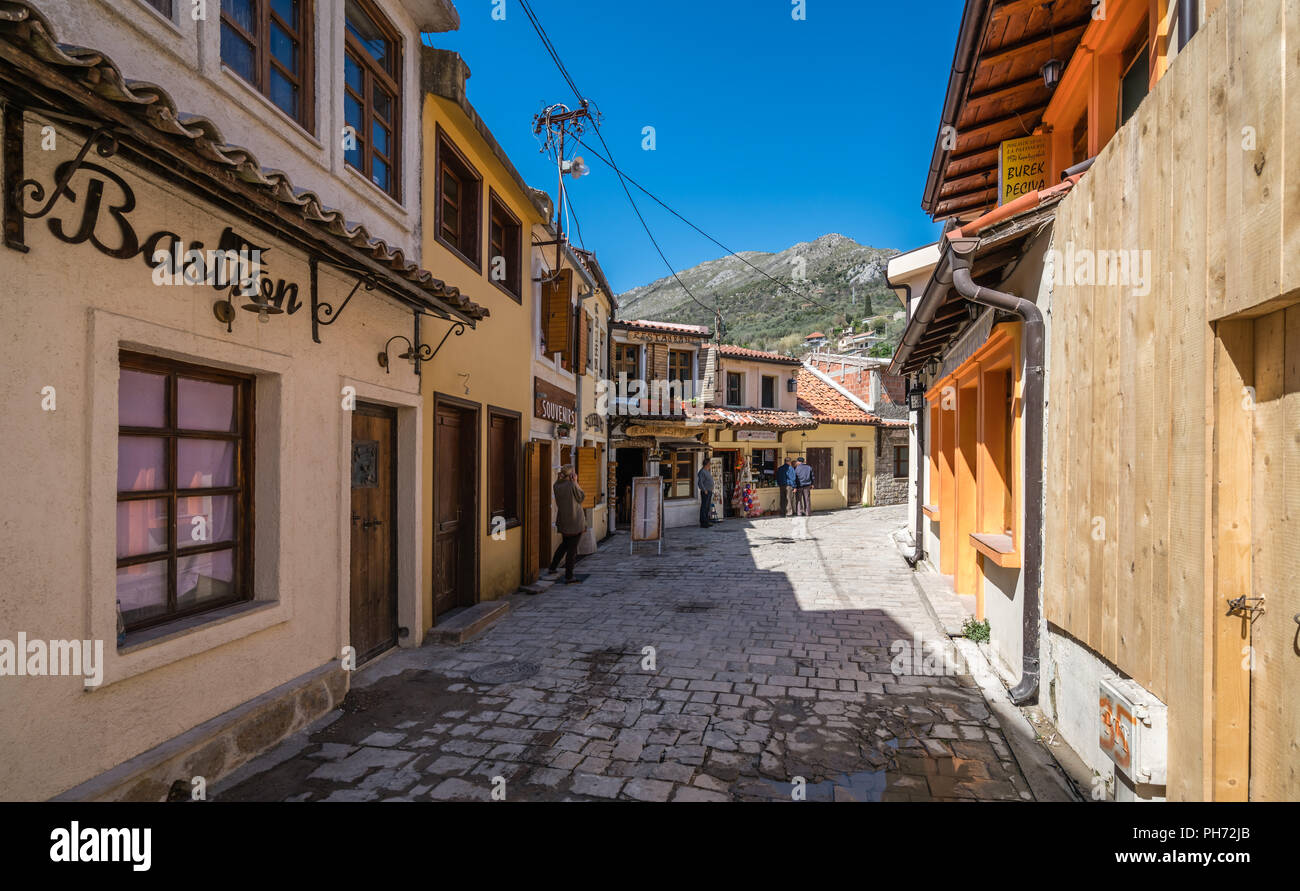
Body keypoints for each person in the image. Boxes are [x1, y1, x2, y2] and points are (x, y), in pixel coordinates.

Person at [547, 465, 586, 583]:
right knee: (572, 550)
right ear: (572, 474)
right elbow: (581, 497)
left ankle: (552, 567)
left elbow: (559, 484)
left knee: (564, 545)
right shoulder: (571, 485)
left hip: (564, 520)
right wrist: (576, 482)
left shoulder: (556, 485)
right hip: (575, 521)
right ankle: (569, 576)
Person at [696, 453, 715, 527]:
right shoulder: (702, 472)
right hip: (705, 492)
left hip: (709, 491)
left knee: (707, 507)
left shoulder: (707, 471)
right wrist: (704, 490)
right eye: (709, 463)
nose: (710, 465)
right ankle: (703, 523)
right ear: (706, 464)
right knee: (704, 507)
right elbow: (700, 482)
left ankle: (707, 521)